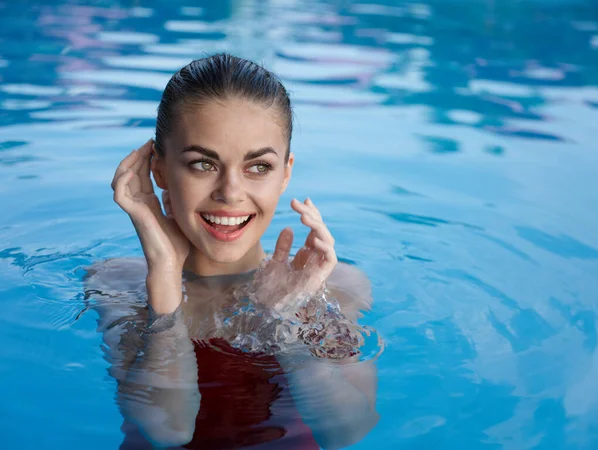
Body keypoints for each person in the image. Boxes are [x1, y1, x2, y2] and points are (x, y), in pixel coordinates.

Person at [84, 53, 379, 450]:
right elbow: (168, 430)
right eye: (203, 164)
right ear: (159, 169)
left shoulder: (338, 285)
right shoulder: (118, 284)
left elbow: (346, 430)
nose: (230, 193)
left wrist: (289, 318)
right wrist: (165, 279)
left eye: (258, 167)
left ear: (286, 173)